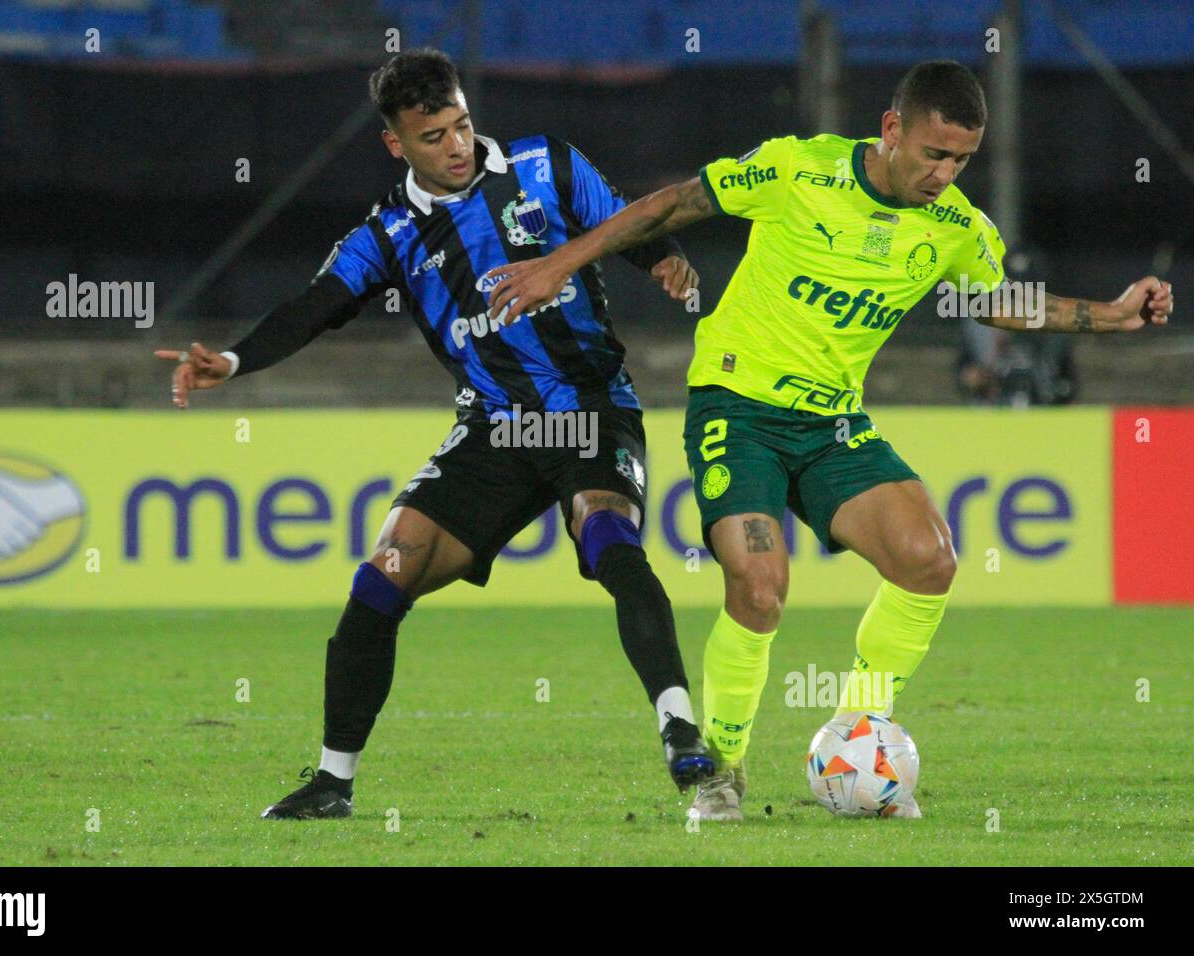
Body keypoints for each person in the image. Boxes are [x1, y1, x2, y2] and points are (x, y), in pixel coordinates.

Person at [482, 59, 1173, 821]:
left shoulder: (954, 229)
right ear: (890, 129)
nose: (944, 174)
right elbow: (669, 206)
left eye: (961, 160)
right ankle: (723, 770)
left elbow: (995, 301)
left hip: (833, 424)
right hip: (736, 410)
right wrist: (558, 264)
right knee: (760, 583)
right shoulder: (797, 169)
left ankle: (857, 730)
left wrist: (1113, 315)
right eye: (933, 154)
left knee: (929, 557)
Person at [155, 48, 715, 819]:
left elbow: (626, 220)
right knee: (382, 575)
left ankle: (680, 727)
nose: (455, 146)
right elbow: (317, 304)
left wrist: (666, 259)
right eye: (433, 136)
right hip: (492, 429)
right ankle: (332, 784)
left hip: (588, 406)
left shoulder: (545, 164)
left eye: (461, 125)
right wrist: (234, 358)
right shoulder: (388, 234)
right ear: (396, 143)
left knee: (606, 537)